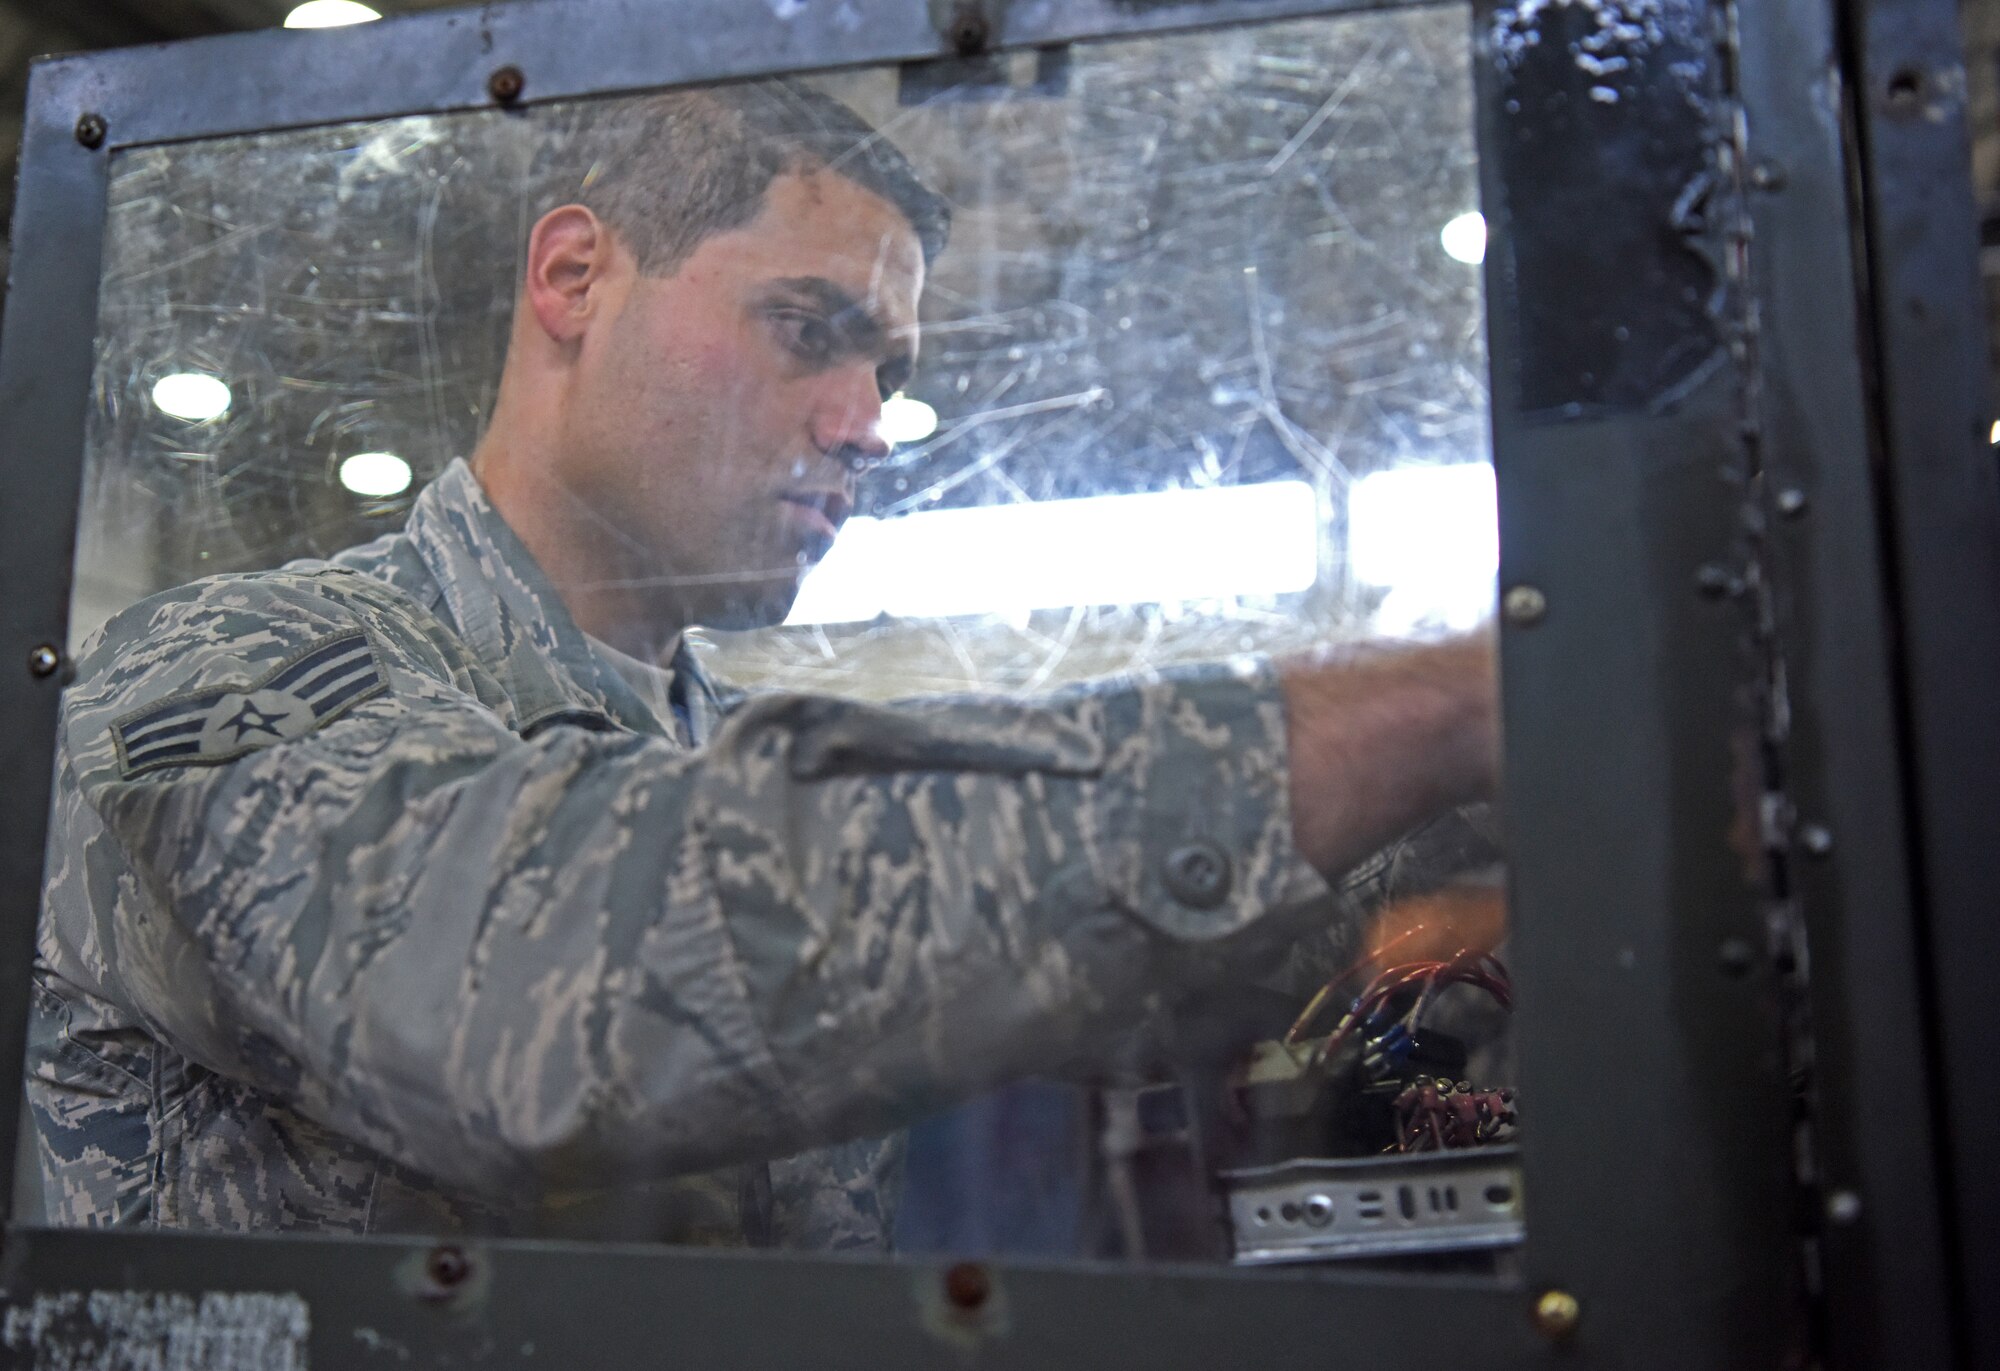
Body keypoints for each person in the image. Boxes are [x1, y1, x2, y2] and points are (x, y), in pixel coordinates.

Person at [30, 81, 1499, 1248]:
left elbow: (1070, 958)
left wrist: (1495, 805)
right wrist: (1418, 709)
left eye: (892, 374)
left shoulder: (723, 758)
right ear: (574, 275)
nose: (867, 421)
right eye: (810, 331)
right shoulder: (227, 675)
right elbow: (539, 993)